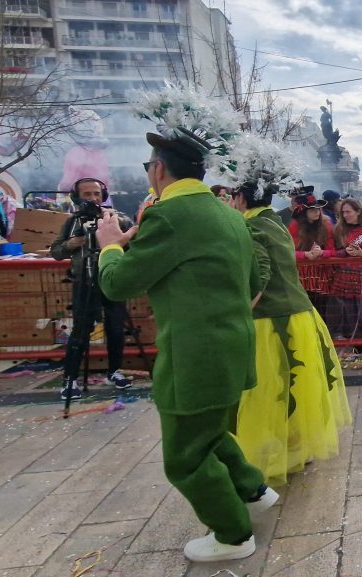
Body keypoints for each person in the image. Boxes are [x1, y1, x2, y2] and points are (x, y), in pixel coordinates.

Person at [95, 122, 276, 562]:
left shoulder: (168, 216)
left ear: (158, 170)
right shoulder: (229, 214)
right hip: (233, 347)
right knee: (209, 433)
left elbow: (117, 285)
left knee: (185, 457)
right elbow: (254, 278)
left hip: (194, 355)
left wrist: (109, 246)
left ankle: (233, 535)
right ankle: (254, 491)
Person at [229, 175, 352, 486]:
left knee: (271, 389)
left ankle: (277, 454)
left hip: (273, 320)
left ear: (242, 198)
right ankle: (297, 448)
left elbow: (260, 274)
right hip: (299, 315)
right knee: (297, 384)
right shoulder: (273, 222)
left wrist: (236, 311)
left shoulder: (252, 226)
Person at [50, 178, 133, 400]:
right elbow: (56, 251)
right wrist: (72, 244)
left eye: (96, 193)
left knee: (116, 328)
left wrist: (120, 240)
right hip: (84, 283)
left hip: (112, 280)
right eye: (87, 194)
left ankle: (114, 371)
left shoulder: (117, 218)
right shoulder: (72, 223)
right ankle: (70, 379)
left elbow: (134, 242)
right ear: (77, 197)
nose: (93, 198)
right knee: (80, 332)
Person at [333, 198, 362, 353]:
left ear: (358, 211)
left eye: (348, 211)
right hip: (345, 276)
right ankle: (359, 348)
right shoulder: (339, 229)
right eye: (343, 212)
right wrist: (344, 252)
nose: (345, 215)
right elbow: (334, 251)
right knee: (351, 315)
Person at [289, 193, 338, 333]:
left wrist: (322, 253)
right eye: (312, 210)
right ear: (304, 213)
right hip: (302, 275)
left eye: (318, 209)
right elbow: (289, 252)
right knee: (304, 310)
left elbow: (333, 251)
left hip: (322, 275)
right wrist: (306, 255)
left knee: (322, 310)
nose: (317, 212)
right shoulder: (294, 228)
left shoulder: (326, 226)